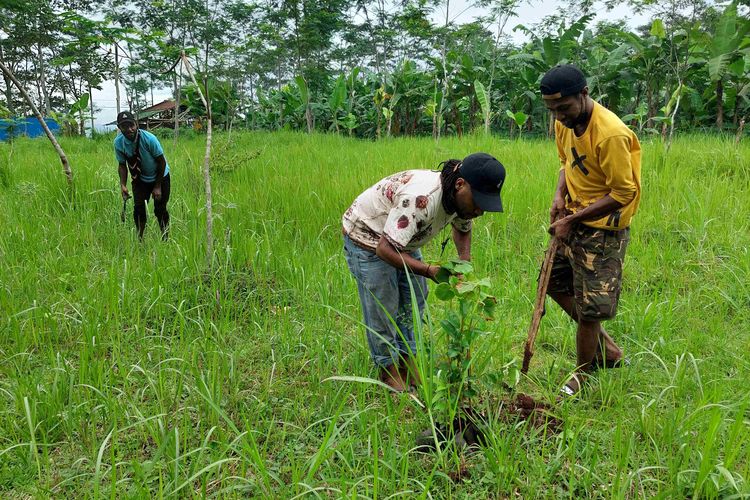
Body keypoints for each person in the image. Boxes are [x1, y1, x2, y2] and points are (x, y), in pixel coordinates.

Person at [342, 153, 506, 391]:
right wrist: (428, 270)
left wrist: (464, 264)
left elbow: (462, 229)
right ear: (461, 184)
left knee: (415, 300)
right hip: (369, 237)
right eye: (479, 201)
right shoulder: (422, 199)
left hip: (403, 240)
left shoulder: (460, 201)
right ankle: (388, 371)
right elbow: (385, 249)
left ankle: (408, 361)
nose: (480, 210)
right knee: (384, 307)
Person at [540, 64, 642, 396]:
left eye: (564, 108)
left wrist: (574, 219)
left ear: (584, 94)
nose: (559, 117)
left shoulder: (610, 133)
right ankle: (609, 351)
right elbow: (565, 164)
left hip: (602, 229)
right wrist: (560, 195)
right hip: (573, 218)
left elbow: (624, 192)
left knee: (589, 310)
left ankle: (583, 375)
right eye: (552, 110)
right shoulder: (563, 124)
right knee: (552, 284)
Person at [114, 111, 171, 240]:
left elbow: (161, 161)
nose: (129, 129)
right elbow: (122, 164)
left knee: (160, 209)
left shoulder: (149, 139)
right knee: (139, 210)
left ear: (136, 124)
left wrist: (157, 186)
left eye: (131, 125)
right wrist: (122, 184)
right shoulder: (119, 143)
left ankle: (165, 238)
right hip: (139, 179)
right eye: (124, 126)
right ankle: (140, 239)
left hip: (160, 177)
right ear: (119, 127)